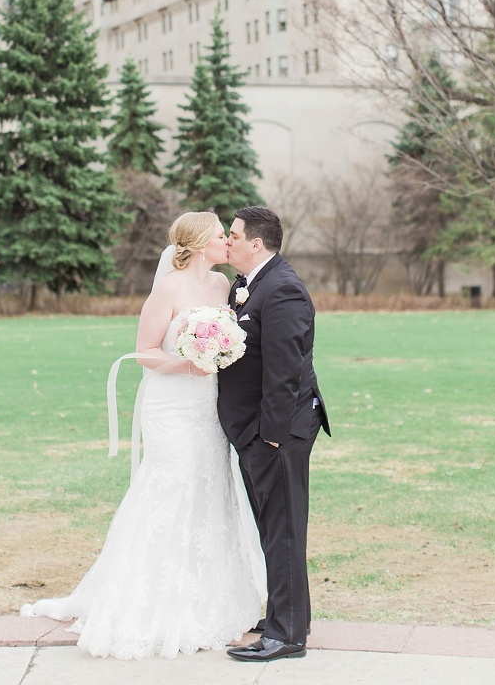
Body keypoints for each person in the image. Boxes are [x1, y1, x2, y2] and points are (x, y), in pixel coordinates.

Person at [21, 211, 264, 659]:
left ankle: (209, 601)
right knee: (171, 486)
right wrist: (188, 360)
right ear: (195, 245)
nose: (226, 243)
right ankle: (147, 600)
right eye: (218, 237)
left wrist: (218, 353)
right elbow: (145, 353)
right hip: (171, 403)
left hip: (208, 404)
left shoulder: (222, 287)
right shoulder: (167, 289)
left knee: (211, 487)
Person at [218, 205, 330, 663]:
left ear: (256, 244)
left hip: (276, 433)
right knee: (273, 528)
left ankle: (287, 636)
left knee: (283, 531)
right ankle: (288, 616)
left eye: (234, 235)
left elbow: (286, 370)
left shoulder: (281, 289)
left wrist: (273, 436)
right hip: (255, 431)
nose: (228, 241)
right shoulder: (248, 286)